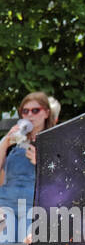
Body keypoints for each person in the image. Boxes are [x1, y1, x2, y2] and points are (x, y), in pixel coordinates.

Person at [0, 92, 57, 234]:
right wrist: (5, 142)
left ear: (46, 113)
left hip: (35, 208)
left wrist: (41, 163)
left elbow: (62, 180)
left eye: (35, 110)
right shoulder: (12, 140)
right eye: (25, 111)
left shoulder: (54, 142)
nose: (29, 115)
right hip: (6, 206)